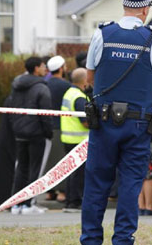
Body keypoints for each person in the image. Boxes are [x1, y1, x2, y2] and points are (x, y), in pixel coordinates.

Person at [81, 0, 152, 244]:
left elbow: (89, 79)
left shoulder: (102, 34)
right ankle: (123, 239)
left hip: (104, 122)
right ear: (144, 9)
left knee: (97, 184)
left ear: (125, 7)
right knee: (131, 185)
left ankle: (90, 239)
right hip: (138, 124)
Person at [8, 56, 53, 215]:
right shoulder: (42, 88)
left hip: (19, 132)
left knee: (21, 168)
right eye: (42, 66)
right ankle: (28, 204)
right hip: (37, 134)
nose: (45, 69)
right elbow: (45, 114)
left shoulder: (16, 85)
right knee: (35, 169)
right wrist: (48, 133)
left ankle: (16, 204)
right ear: (36, 68)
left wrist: (15, 126)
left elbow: (11, 106)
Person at [60, 68, 90, 213]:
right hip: (79, 140)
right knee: (79, 173)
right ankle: (75, 202)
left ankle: (70, 201)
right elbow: (85, 121)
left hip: (68, 138)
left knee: (72, 173)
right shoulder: (79, 97)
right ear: (84, 80)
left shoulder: (69, 93)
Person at [45, 55, 71, 204]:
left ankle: (50, 191)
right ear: (61, 68)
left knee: (49, 161)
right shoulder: (66, 86)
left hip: (46, 126)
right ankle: (62, 192)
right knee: (61, 161)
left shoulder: (44, 83)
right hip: (61, 127)